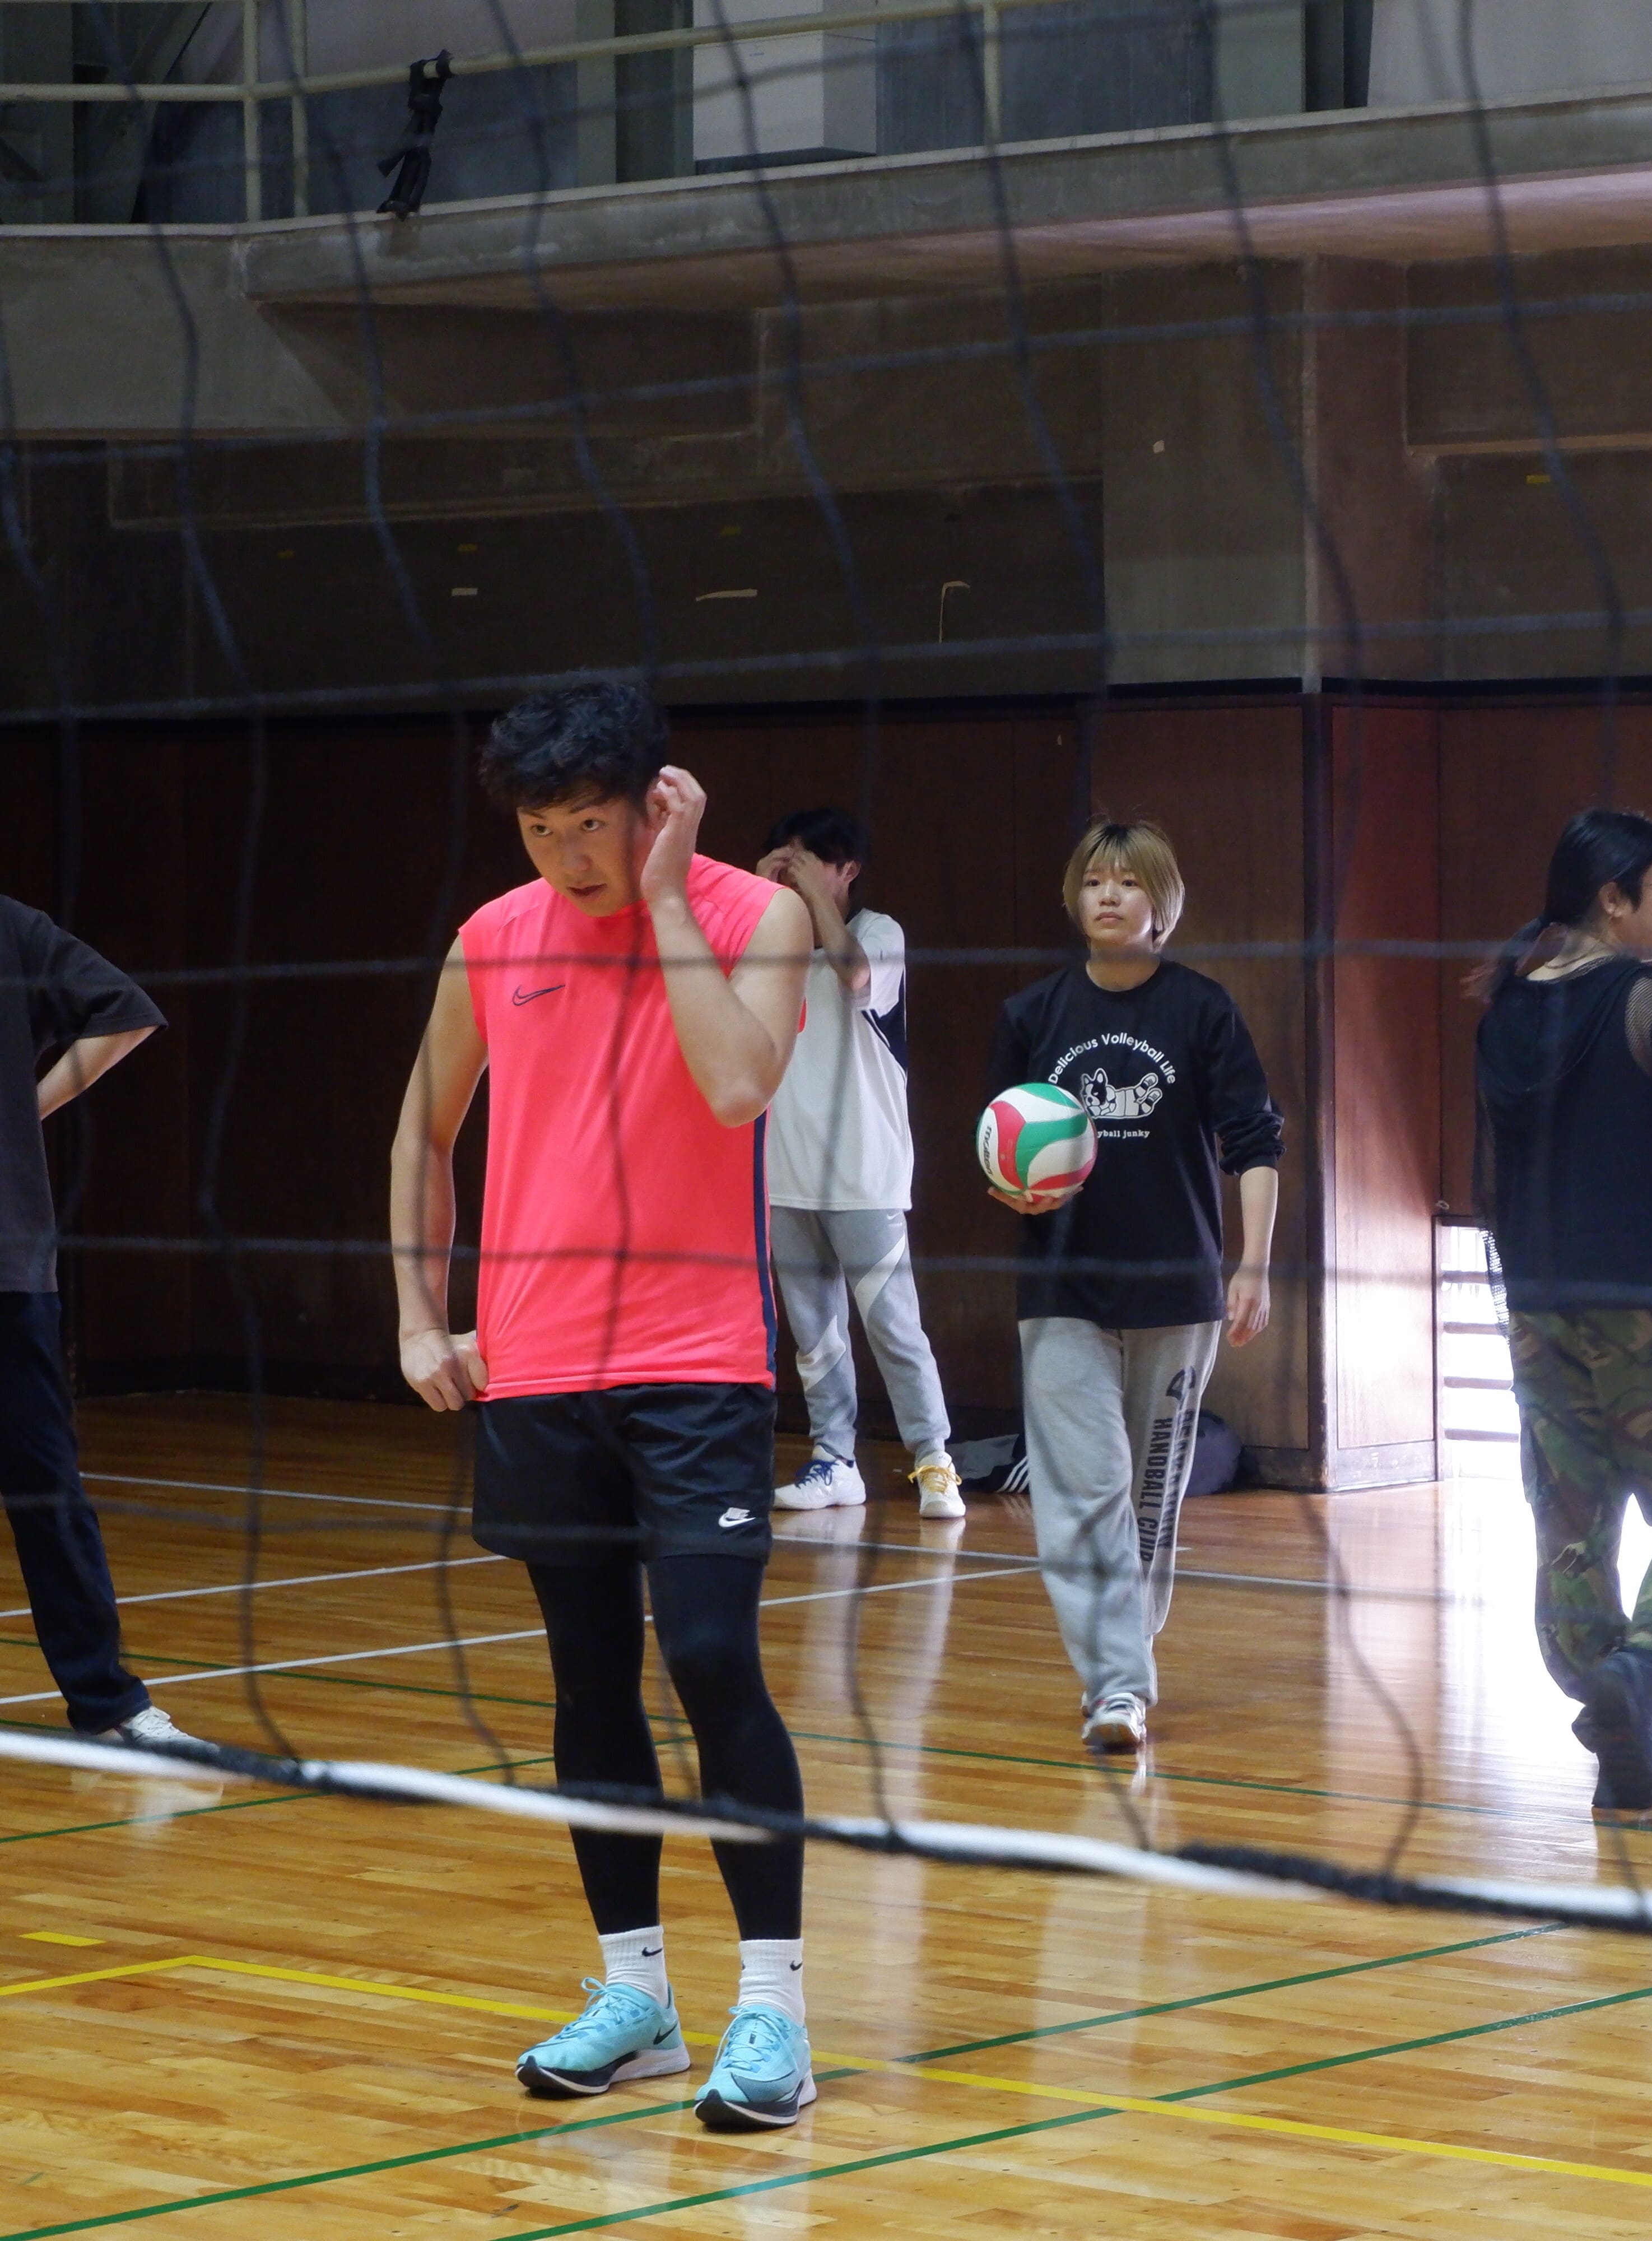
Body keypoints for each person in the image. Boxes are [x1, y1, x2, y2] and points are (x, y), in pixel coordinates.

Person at [387, 682, 823, 2133]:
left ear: (658, 801)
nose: (568, 855)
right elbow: (425, 1128)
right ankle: (636, 1993)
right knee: (587, 1680)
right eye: (540, 828)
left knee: (709, 1654)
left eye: (592, 823)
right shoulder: (491, 938)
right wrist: (418, 1312)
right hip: (540, 1367)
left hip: (698, 1361)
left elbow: (738, 1084)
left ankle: (776, 2006)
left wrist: (669, 902)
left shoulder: (758, 915)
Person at [1473, 809, 1652, 1821]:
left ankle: (1618, 1745)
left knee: (1571, 1525)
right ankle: (1639, 1683)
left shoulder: (1504, 1012)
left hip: (1540, 1309)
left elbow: (1490, 1186)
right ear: (1613, 896)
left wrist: (1525, 1304)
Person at [986, 817, 1279, 1758]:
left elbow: (1255, 1144)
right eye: (1093, 881)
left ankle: (1124, 1652)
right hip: (1062, 1288)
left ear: (1163, 902)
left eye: (1128, 881)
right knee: (1087, 1489)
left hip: (1177, 1289)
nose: (1108, 895)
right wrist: (1013, 1184)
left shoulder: (1202, 1010)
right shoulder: (1031, 1014)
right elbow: (996, 1145)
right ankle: (1115, 1687)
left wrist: (1254, 1264)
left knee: (1149, 1501)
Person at [0, 896, 199, 1755]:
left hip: (8, 1268)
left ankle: (107, 1702)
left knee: (47, 1490)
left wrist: (22, 1110)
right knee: (48, 1491)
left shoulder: (11, 928)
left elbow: (124, 1012)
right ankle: (110, 1707)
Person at [753, 807, 962, 1522]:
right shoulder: (767, 946)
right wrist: (758, 899)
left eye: (809, 857)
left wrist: (812, 896)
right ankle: (833, 1459)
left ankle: (934, 1460)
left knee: (896, 1330)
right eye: (783, 854)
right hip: (785, 1177)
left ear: (848, 869)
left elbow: (853, 977)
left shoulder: (879, 933)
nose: (792, 867)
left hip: (866, 1178)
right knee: (815, 1340)